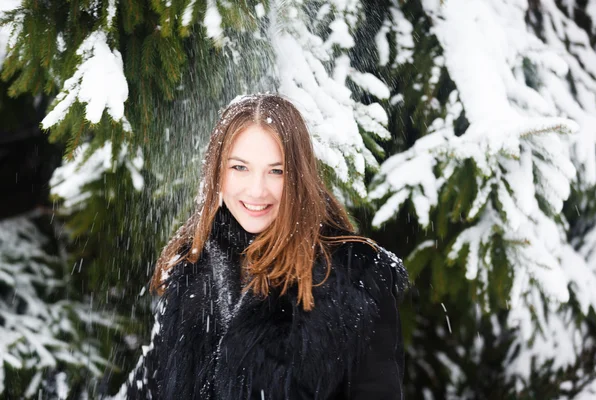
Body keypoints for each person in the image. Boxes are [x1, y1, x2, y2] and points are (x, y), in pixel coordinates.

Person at [122, 93, 408, 399]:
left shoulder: (355, 273)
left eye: (277, 171)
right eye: (240, 168)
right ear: (217, 170)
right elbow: (150, 387)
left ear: (299, 176)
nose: (257, 190)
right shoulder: (192, 264)